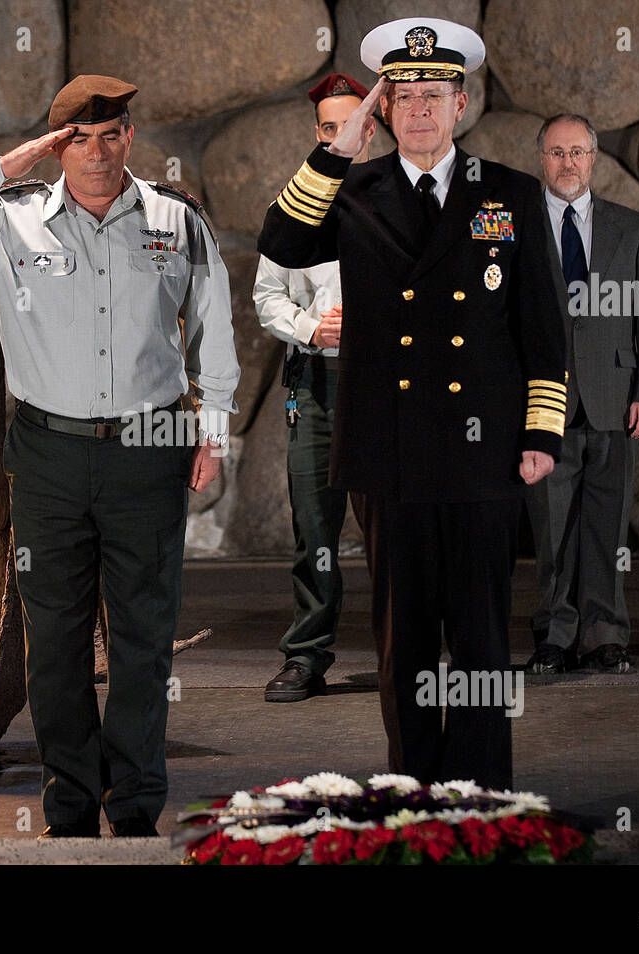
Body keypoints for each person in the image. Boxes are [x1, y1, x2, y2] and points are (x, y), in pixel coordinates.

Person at [0, 74, 239, 837]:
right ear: (55, 147)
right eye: (76, 139)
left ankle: (139, 809)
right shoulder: (6, 220)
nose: (95, 152)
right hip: (48, 453)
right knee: (52, 644)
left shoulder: (175, 222)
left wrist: (211, 429)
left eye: (110, 135)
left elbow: (213, 323)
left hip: (151, 449)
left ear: (130, 138)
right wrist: (8, 165)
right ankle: (71, 812)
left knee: (144, 639)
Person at [257, 18, 566, 790]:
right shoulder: (352, 189)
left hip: (484, 453)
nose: (421, 108)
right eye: (404, 96)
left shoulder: (510, 194)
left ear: (461, 105)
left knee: (482, 641)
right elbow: (283, 243)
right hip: (391, 455)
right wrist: (336, 148)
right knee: (403, 645)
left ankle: (483, 793)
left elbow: (541, 326)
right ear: (384, 111)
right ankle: (417, 792)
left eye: (435, 94)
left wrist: (540, 432)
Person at [525, 114, 639, 675]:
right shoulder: (519, 228)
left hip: (616, 395)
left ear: (593, 158)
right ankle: (555, 636)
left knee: (608, 525)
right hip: (545, 402)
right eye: (557, 153)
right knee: (552, 527)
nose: (567, 164)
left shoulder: (631, 228)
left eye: (578, 153)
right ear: (543, 158)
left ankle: (605, 633)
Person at [254, 73, 374, 702]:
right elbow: (265, 295)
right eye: (329, 128)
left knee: (395, 523)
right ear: (319, 133)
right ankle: (305, 655)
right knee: (315, 529)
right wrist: (311, 329)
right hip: (317, 382)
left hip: (386, 383)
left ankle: (408, 651)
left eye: (350, 125)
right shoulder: (297, 203)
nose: (340, 136)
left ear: (370, 128)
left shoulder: (391, 194)